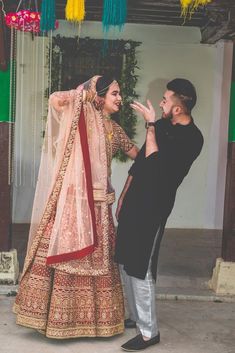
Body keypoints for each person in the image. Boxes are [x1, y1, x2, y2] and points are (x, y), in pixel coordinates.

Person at [13, 75, 139, 339]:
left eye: (120, 94)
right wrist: (83, 93)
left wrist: (153, 127)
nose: (120, 99)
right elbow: (55, 100)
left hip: (100, 209)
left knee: (98, 261)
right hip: (72, 206)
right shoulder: (77, 120)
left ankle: (96, 323)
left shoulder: (114, 130)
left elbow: (138, 156)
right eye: (115, 93)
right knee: (66, 258)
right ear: (100, 96)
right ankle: (58, 321)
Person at [114, 78, 204, 351]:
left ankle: (149, 332)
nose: (162, 102)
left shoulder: (193, 139)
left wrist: (150, 124)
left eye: (165, 100)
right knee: (125, 260)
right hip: (134, 202)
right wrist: (124, 195)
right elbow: (141, 161)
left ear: (178, 108)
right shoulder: (164, 125)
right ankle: (135, 317)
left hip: (154, 208)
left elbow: (156, 167)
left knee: (141, 266)